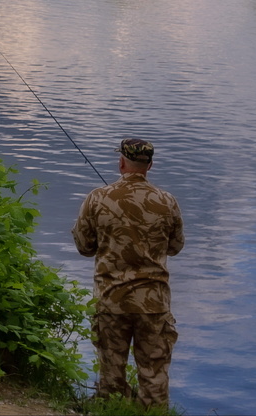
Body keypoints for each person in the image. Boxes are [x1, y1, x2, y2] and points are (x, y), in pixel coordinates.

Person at [72, 137, 184, 410]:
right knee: (154, 376)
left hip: (112, 301)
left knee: (110, 376)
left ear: (121, 162)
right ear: (150, 166)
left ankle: (111, 411)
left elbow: (84, 247)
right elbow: (175, 246)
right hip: (154, 304)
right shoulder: (167, 201)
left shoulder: (97, 197)